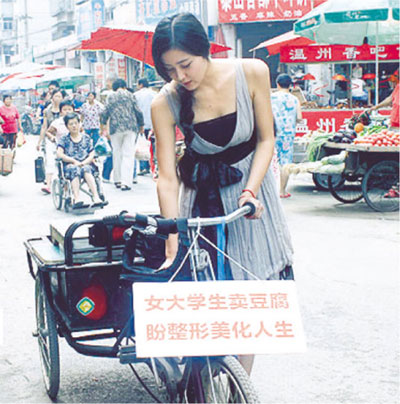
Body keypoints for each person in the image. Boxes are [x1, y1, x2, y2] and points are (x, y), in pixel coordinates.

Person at [151, 12, 293, 374]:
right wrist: (172, 241)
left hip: (251, 199)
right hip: (202, 202)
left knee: (251, 294)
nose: (180, 76)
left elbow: (266, 139)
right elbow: (166, 178)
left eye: (185, 64)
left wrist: (251, 190)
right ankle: (203, 378)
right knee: (206, 294)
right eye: (170, 70)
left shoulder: (252, 72)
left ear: (204, 49)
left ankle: (238, 385)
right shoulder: (164, 102)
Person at [100, 78, 144, 191]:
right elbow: (138, 111)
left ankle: (117, 180)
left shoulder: (111, 96)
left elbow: (105, 112)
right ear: (124, 86)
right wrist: (141, 124)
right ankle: (126, 182)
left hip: (115, 128)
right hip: (130, 127)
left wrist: (103, 125)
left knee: (117, 153)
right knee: (128, 154)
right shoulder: (130, 95)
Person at [57, 112, 104, 208]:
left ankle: (95, 196)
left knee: (86, 169)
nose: (74, 126)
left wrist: (84, 162)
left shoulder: (86, 138)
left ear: (79, 124)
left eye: (76, 123)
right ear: (67, 126)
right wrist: (73, 161)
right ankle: (76, 198)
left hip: (85, 164)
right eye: (71, 124)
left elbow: (92, 153)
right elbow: (59, 154)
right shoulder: (64, 139)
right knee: (75, 169)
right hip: (70, 165)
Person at [271, 74, 302, 198]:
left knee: (269, 160)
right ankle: (282, 191)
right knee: (285, 163)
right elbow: (299, 118)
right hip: (287, 135)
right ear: (290, 86)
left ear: (277, 84)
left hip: (271, 133)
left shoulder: (270, 97)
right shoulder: (294, 99)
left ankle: (269, 191)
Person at [37, 89, 64, 194]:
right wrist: (39, 142)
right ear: (52, 98)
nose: (58, 98)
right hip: (50, 139)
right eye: (56, 96)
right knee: (50, 161)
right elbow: (44, 127)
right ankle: (48, 184)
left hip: (63, 139)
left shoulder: (65, 110)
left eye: (59, 96)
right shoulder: (47, 111)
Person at [134, 78, 156, 176]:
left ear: (141, 85)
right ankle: (153, 165)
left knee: (141, 145)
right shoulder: (154, 94)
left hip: (141, 124)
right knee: (152, 145)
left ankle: (143, 167)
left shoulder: (136, 95)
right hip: (153, 123)